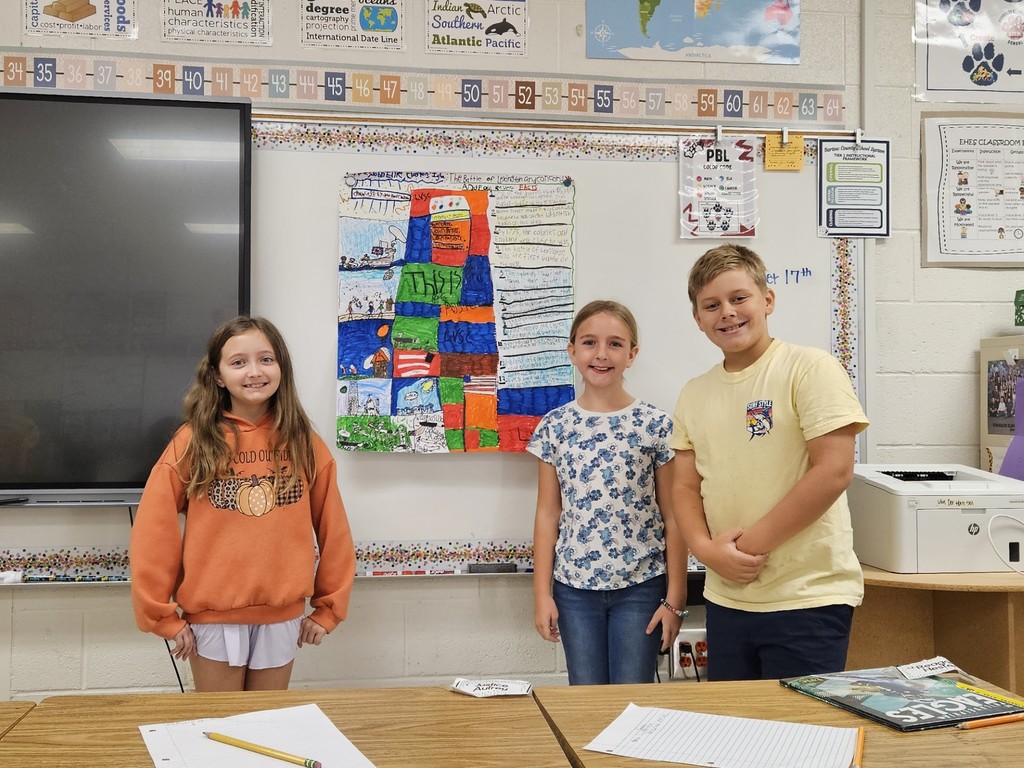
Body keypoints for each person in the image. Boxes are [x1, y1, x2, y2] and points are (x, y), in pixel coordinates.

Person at [671, 244, 869, 681]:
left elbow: (834, 471)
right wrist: (706, 553)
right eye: (712, 305)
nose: (727, 312)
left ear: (767, 300)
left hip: (806, 598)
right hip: (727, 598)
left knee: (800, 739)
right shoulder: (694, 393)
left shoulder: (810, 368)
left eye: (739, 298)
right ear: (698, 320)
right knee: (735, 738)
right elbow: (683, 487)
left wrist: (745, 547)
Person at [130, 316, 356, 692]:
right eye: (238, 362)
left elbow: (334, 530)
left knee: (266, 728)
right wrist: (161, 615)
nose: (254, 371)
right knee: (219, 727)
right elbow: (154, 531)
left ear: (281, 367)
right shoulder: (193, 442)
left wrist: (329, 608)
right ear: (218, 376)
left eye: (266, 359)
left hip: (281, 617)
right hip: (212, 618)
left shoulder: (304, 442)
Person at [528, 299, 687, 685]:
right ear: (572, 351)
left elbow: (674, 517)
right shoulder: (555, 426)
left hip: (641, 587)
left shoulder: (656, 426)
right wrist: (541, 594)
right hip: (573, 590)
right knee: (585, 697)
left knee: (633, 696)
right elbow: (548, 515)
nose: (601, 354)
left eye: (615, 344)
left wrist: (675, 599)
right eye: (589, 343)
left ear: (632, 354)